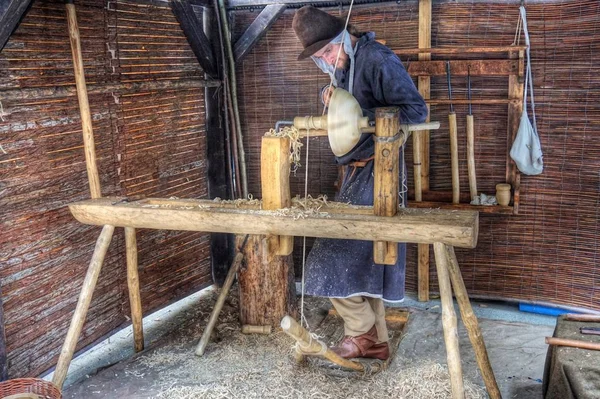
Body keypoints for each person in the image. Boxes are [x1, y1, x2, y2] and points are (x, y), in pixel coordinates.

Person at [292, 6, 428, 360]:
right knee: (363, 258)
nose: (326, 61)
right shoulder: (345, 66)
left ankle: (360, 332)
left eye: (328, 52)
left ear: (342, 38)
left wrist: (363, 117)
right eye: (319, 58)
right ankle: (377, 341)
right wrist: (333, 95)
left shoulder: (377, 58)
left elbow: (416, 110)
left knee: (328, 260)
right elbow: (351, 99)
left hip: (381, 170)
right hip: (356, 170)